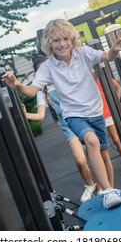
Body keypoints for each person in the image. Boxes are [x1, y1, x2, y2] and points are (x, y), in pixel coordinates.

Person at [2, 18, 121, 209]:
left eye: (64, 39)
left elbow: (107, 56)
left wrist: (115, 48)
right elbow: (32, 90)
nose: (61, 44)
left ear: (71, 39)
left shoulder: (84, 53)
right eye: (56, 41)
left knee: (104, 153)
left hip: (95, 112)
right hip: (73, 115)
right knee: (91, 141)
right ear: (49, 43)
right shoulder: (47, 67)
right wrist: (17, 85)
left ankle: (108, 190)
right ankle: (108, 192)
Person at [24, 54, 97, 203]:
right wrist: (24, 114)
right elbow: (40, 115)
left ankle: (102, 187)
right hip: (68, 125)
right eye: (41, 71)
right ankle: (90, 184)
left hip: (82, 118)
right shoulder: (42, 91)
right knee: (80, 160)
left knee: (94, 155)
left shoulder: (64, 79)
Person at [92, 69, 121, 171]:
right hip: (96, 117)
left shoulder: (104, 78)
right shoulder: (87, 82)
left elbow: (119, 88)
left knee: (116, 139)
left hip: (107, 114)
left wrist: (114, 103)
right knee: (100, 146)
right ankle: (104, 169)